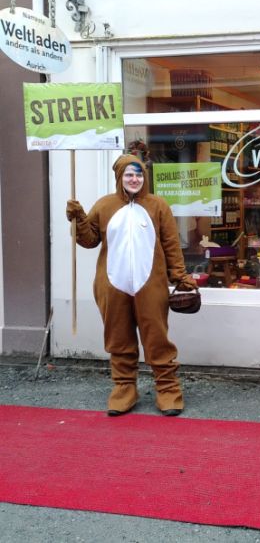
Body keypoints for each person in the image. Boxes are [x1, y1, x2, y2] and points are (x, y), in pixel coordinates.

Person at [66, 154, 197, 416]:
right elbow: (90, 240)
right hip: (112, 285)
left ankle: (168, 389)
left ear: (144, 177)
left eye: (138, 174)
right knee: (118, 337)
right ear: (119, 177)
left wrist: (180, 277)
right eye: (129, 174)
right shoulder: (104, 206)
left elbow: (171, 244)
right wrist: (79, 218)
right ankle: (124, 387)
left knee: (157, 337)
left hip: (152, 285)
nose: (134, 179)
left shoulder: (158, 205)